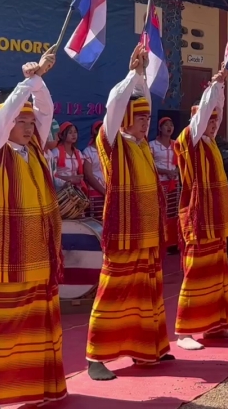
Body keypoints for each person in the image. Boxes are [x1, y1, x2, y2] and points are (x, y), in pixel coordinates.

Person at [0, 50, 66, 408]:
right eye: (22, 121)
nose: (30, 127)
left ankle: (36, 391)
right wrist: (27, 80)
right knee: (6, 325)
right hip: (9, 257)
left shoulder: (37, 152)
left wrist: (39, 80)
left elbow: (47, 111)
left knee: (40, 323)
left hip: (40, 256)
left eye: (31, 123)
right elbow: (9, 113)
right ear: (8, 122)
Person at [86, 44, 174, 380]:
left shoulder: (142, 146)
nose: (145, 121)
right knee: (114, 292)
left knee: (147, 292)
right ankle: (96, 357)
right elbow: (114, 106)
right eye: (139, 117)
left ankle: (146, 349)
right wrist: (133, 75)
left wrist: (141, 79)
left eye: (148, 117)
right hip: (123, 232)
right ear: (125, 118)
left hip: (148, 233)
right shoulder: (112, 143)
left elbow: (141, 103)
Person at [173, 67, 228, 351]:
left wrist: (220, 90)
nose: (213, 124)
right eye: (208, 120)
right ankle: (185, 330)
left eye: (215, 121)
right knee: (196, 273)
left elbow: (217, 111)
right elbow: (202, 118)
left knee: (217, 273)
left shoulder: (209, 143)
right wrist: (215, 85)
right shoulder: (190, 141)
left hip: (215, 219)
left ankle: (215, 326)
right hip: (197, 218)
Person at [151, 116, 180, 250]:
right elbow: (149, 165)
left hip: (174, 182)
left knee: (173, 212)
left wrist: (177, 171)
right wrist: (164, 171)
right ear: (160, 128)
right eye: (166, 125)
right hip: (160, 183)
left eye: (171, 125)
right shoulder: (152, 145)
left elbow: (182, 162)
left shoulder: (176, 144)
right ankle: (160, 240)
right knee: (161, 211)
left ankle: (172, 242)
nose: (169, 127)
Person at [81, 121, 106, 220]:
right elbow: (89, 176)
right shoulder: (88, 151)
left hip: (108, 191)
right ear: (95, 131)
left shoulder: (109, 150)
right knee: (97, 223)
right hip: (95, 192)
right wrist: (104, 191)